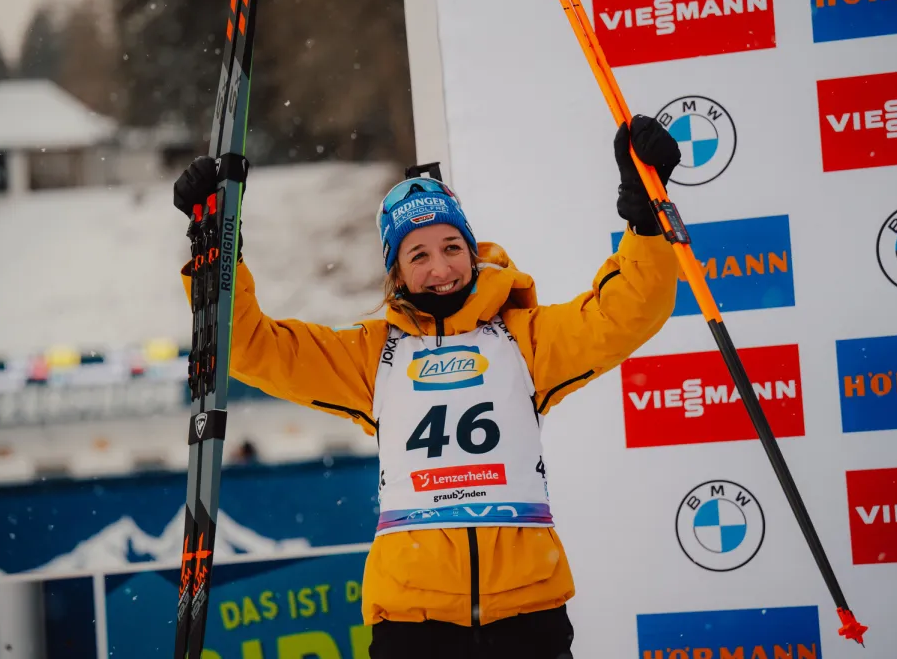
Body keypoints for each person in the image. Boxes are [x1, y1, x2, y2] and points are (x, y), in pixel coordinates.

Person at [173, 116, 682, 659]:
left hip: (528, 616)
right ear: (396, 271)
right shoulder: (372, 355)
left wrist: (644, 217)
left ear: (471, 250)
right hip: (415, 625)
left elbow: (627, 311)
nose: (441, 267)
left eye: (451, 247)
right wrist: (217, 252)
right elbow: (251, 347)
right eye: (419, 255)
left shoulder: (525, 338)